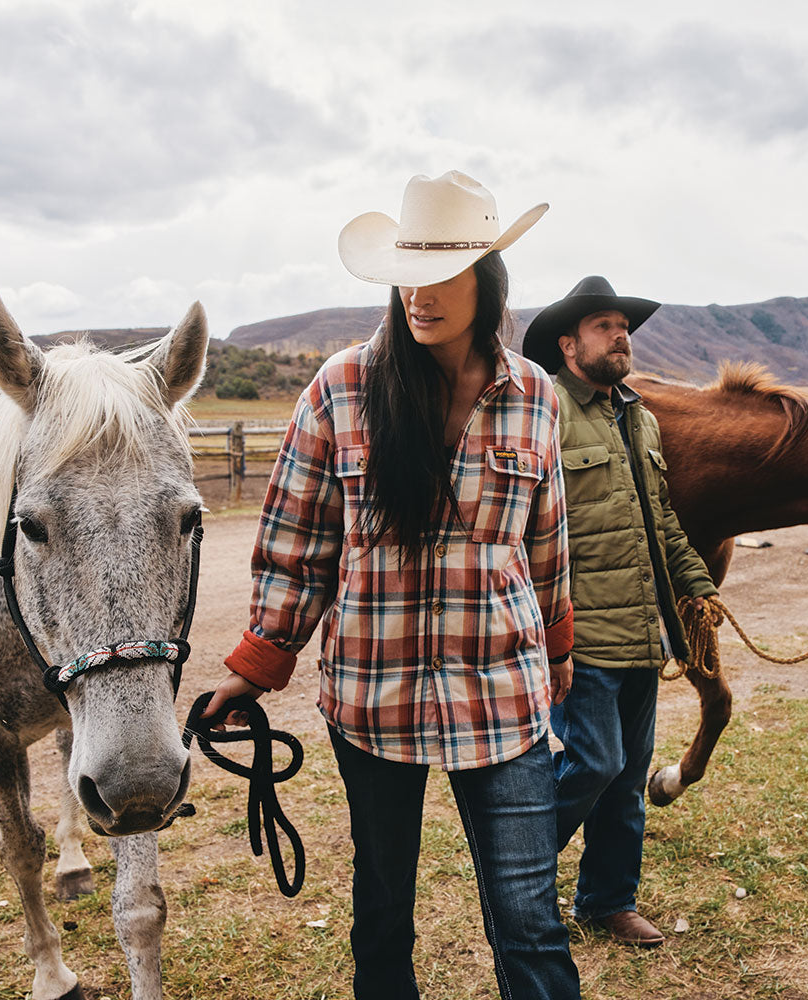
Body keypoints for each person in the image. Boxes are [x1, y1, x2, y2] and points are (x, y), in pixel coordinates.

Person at [206, 171, 581, 1000]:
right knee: (383, 911)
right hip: (374, 696)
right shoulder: (341, 389)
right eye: (410, 271)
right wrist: (258, 661)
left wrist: (558, 649)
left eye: (445, 269)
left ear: (487, 280)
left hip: (504, 694)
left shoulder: (536, 398)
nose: (422, 292)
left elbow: (547, 540)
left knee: (529, 916)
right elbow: (297, 542)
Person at [522, 275, 718, 946]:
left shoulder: (639, 416)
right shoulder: (542, 409)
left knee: (628, 776)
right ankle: (514, 868)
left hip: (641, 631)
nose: (622, 335)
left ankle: (607, 901)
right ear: (569, 344)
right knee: (595, 762)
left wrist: (697, 585)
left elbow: (659, 519)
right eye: (606, 327)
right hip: (579, 634)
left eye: (623, 326)